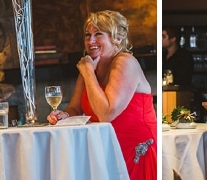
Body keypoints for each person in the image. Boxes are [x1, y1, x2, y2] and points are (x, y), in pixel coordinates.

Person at [47, 10, 157, 180]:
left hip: (134, 149)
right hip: (103, 147)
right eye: (87, 35)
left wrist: (88, 72)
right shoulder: (89, 67)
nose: (91, 41)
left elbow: (106, 114)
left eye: (98, 34)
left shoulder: (125, 62)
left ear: (118, 38)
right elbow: (75, 108)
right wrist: (64, 115)